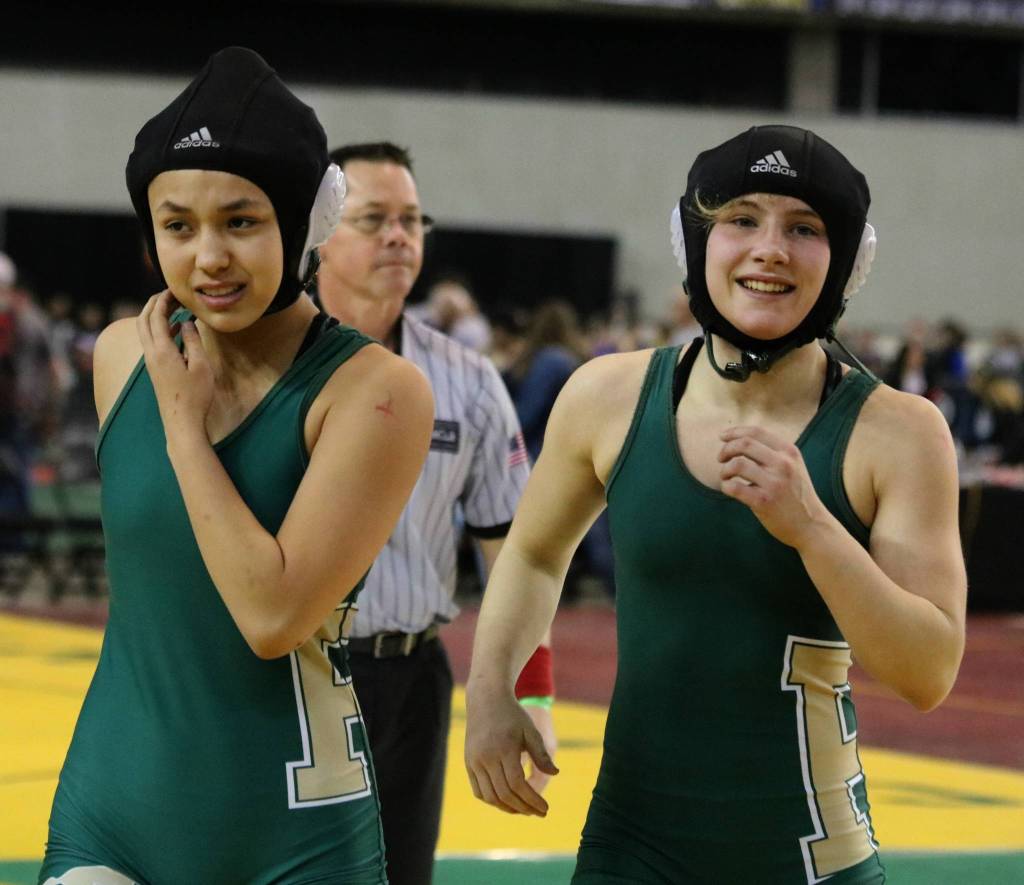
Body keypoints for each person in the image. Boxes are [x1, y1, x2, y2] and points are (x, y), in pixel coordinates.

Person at [464, 125, 967, 884]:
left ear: (846, 264)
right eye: (741, 219)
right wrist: (500, 687)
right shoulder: (609, 395)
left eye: (805, 228)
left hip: (810, 857)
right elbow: (535, 554)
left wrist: (813, 529)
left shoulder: (898, 431)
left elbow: (926, 672)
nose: (771, 248)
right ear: (694, 242)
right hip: (630, 847)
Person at [39, 48, 433, 885]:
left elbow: (272, 614)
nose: (209, 256)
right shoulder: (121, 356)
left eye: (241, 221)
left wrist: (183, 425)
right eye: (178, 225)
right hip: (112, 807)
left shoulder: (378, 392)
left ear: (303, 222)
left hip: (295, 840)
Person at [314, 141, 555, 885]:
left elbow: (519, 554)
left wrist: (529, 693)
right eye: (375, 218)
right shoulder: (266, 360)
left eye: (412, 220)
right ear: (319, 230)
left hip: (412, 676)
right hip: (290, 675)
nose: (398, 236)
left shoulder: (467, 378)